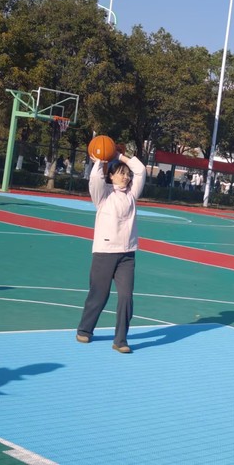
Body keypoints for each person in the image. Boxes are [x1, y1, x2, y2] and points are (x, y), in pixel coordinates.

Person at [76, 149, 146, 354]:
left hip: (127, 255)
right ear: (111, 175)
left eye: (127, 174)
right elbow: (95, 180)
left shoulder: (132, 194)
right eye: (121, 173)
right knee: (99, 294)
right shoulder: (103, 195)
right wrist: (100, 161)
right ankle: (85, 329)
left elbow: (141, 170)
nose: (126, 177)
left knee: (126, 297)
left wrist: (120, 156)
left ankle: (121, 340)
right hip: (105, 252)